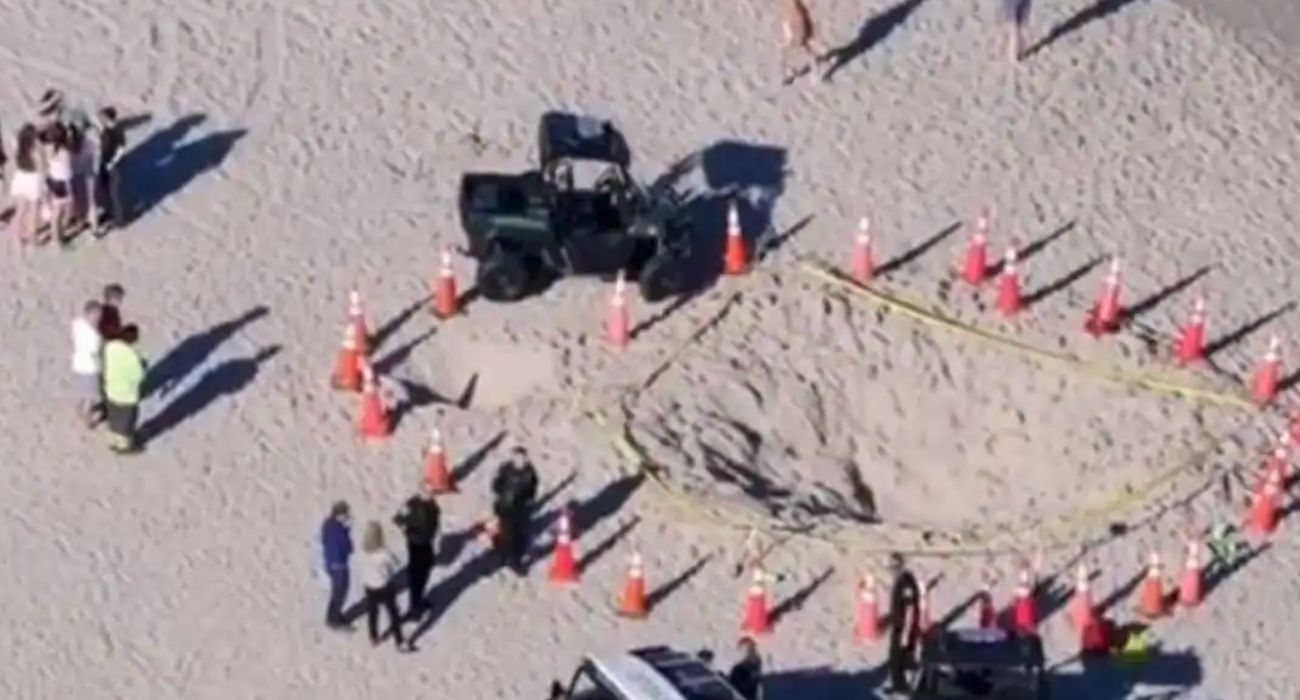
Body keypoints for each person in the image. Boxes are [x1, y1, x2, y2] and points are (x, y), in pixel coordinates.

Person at [358, 521, 414, 652]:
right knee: (393, 613)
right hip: (384, 586)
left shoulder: (362, 551)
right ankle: (399, 641)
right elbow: (396, 565)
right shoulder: (384, 553)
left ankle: (373, 636)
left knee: (373, 612)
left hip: (369, 586)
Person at [393, 482, 440, 619]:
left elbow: (398, 519)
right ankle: (415, 607)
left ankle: (418, 601)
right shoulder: (429, 508)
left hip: (419, 543)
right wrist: (408, 531)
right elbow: (398, 520)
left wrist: (406, 530)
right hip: (418, 544)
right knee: (417, 577)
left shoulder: (414, 504)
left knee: (422, 573)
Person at [490, 447, 539, 574]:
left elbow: (531, 492)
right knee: (506, 534)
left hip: (519, 510)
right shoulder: (505, 469)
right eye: (517, 458)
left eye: (522, 458)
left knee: (517, 537)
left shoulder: (530, 473)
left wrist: (523, 500)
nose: (520, 461)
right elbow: (496, 485)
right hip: (505, 508)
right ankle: (508, 558)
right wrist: (502, 491)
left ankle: (512, 559)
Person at [102, 324, 145, 453]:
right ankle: (124, 446)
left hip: (111, 390)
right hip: (126, 395)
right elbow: (138, 376)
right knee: (126, 420)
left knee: (114, 415)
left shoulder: (110, 347)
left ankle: (111, 438)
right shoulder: (132, 356)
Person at [9, 124, 45, 250]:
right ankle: (33, 238)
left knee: (20, 211)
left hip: (20, 177)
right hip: (33, 179)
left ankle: (17, 238)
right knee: (34, 211)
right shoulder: (35, 148)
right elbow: (41, 165)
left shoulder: (17, 144)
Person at [320, 501, 354, 631]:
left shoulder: (328, 524)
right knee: (339, 593)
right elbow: (347, 548)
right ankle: (333, 619)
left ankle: (334, 616)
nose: (348, 515)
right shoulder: (338, 530)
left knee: (337, 593)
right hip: (339, 566)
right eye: (346, 513)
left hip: (331, 564)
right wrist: (346, 531)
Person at [71, 300, 104, 427]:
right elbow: (96, 354)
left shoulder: (77, 324)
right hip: (90, 368)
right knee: (91, 395)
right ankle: (87, 418)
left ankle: (81, 408)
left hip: (77, 364)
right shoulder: (95, 336)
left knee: (83, 390)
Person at [41, 122, 74, 244]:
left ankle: (58, 235)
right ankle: (58, 237)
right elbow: (68, 169)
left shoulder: (49, 147)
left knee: (58, 211)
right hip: (62, 183)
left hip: (53, 179)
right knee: (61, 212)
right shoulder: (64, 151)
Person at [94, 107, 126, 234]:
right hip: (104, 163)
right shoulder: (107, 129)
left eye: (102, 117)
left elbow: (121, 150)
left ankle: (119, 220)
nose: (100, 119)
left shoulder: (117, 132)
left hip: (112, 167)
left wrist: (111, 163)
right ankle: (108, 212)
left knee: (114, 194)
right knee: (105, 190)